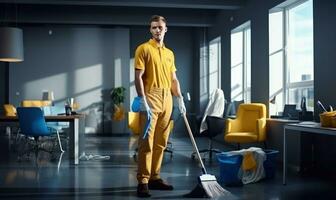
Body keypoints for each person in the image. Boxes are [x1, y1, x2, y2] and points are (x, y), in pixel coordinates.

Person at [134, 15, 186, 197]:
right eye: (154, 27)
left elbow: (173, 79)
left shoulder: (170, 53)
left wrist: (179, 98)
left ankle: (155, 177)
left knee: (161, 142)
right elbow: (138, 77)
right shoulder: (144, 49)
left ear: (166, 29)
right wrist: (142, 100)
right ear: (150, 30)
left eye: (160, 27)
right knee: (146, 142)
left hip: (168, 99)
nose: (157, 30)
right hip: (151, 97)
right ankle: (143, 181)